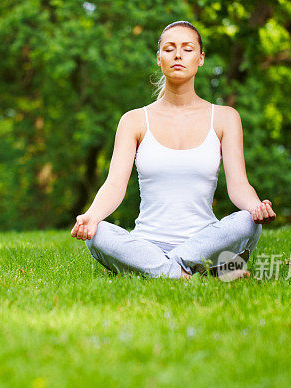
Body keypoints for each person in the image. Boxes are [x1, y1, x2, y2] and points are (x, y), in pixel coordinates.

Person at [70, 20, 276, 281]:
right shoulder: (133, 120)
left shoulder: (225, 118)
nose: (178, 55)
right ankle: (191, 273)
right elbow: (114, 185)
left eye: (187, 49)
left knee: (249, 223)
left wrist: (256, 207)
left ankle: (165, 270)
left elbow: (239, 186)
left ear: (200, 58)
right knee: (97, 234)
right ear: (159, 58)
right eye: (169, 49)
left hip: (205, 242)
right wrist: (91, 216)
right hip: (146, 244)